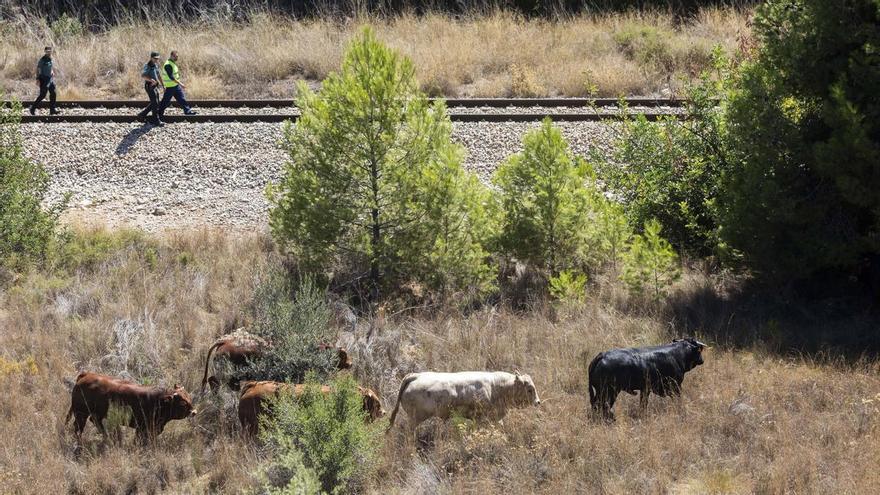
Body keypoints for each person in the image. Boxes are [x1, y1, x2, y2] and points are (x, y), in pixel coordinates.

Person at [158, 50, 197, 117]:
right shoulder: (168, 65)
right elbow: (171, 77)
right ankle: (158, 114)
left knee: (182, 99)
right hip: (170, 87)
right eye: (175, 56)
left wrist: (178, 84)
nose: (177, 58)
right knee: (165, 102)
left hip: (175, 86)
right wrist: (180, 83)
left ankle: (187, 111)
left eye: (177, 56)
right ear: (171, 56)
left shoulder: (172, 63)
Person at [29, 46, 60, 115]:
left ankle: (52, 110)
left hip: (50, 79)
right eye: (47, 51)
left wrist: (52, 71)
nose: (49, 52)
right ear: (45, 51)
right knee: (43, 95)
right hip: (44, 79)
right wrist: (37, 79)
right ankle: (32, 108)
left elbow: (51, 67)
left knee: (53, 93)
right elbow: (38, 69)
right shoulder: (42, 60)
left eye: (50, 51)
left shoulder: (51, 59)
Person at [137, 51, 164, 126]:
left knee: (156, 102)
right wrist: (151, 80)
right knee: (155, 103)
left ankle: (142, 114)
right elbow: (143, 75)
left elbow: (158, 75)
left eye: (157, 58)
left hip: (155, 86)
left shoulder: (156, 65)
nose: (156, 60)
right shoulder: (147, 65)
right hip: (149, 86)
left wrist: (163, 85)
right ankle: (156, 120)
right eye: (155, 58)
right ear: (151, 58)